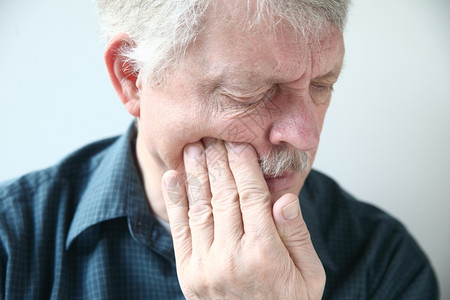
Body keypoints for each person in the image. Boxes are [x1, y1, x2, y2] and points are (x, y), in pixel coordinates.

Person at [0, 0, 439, 298]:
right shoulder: (11, 246)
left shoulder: (384, 262)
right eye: (249, 93)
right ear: (132, 76)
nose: (305, 135)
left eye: (323, 85)